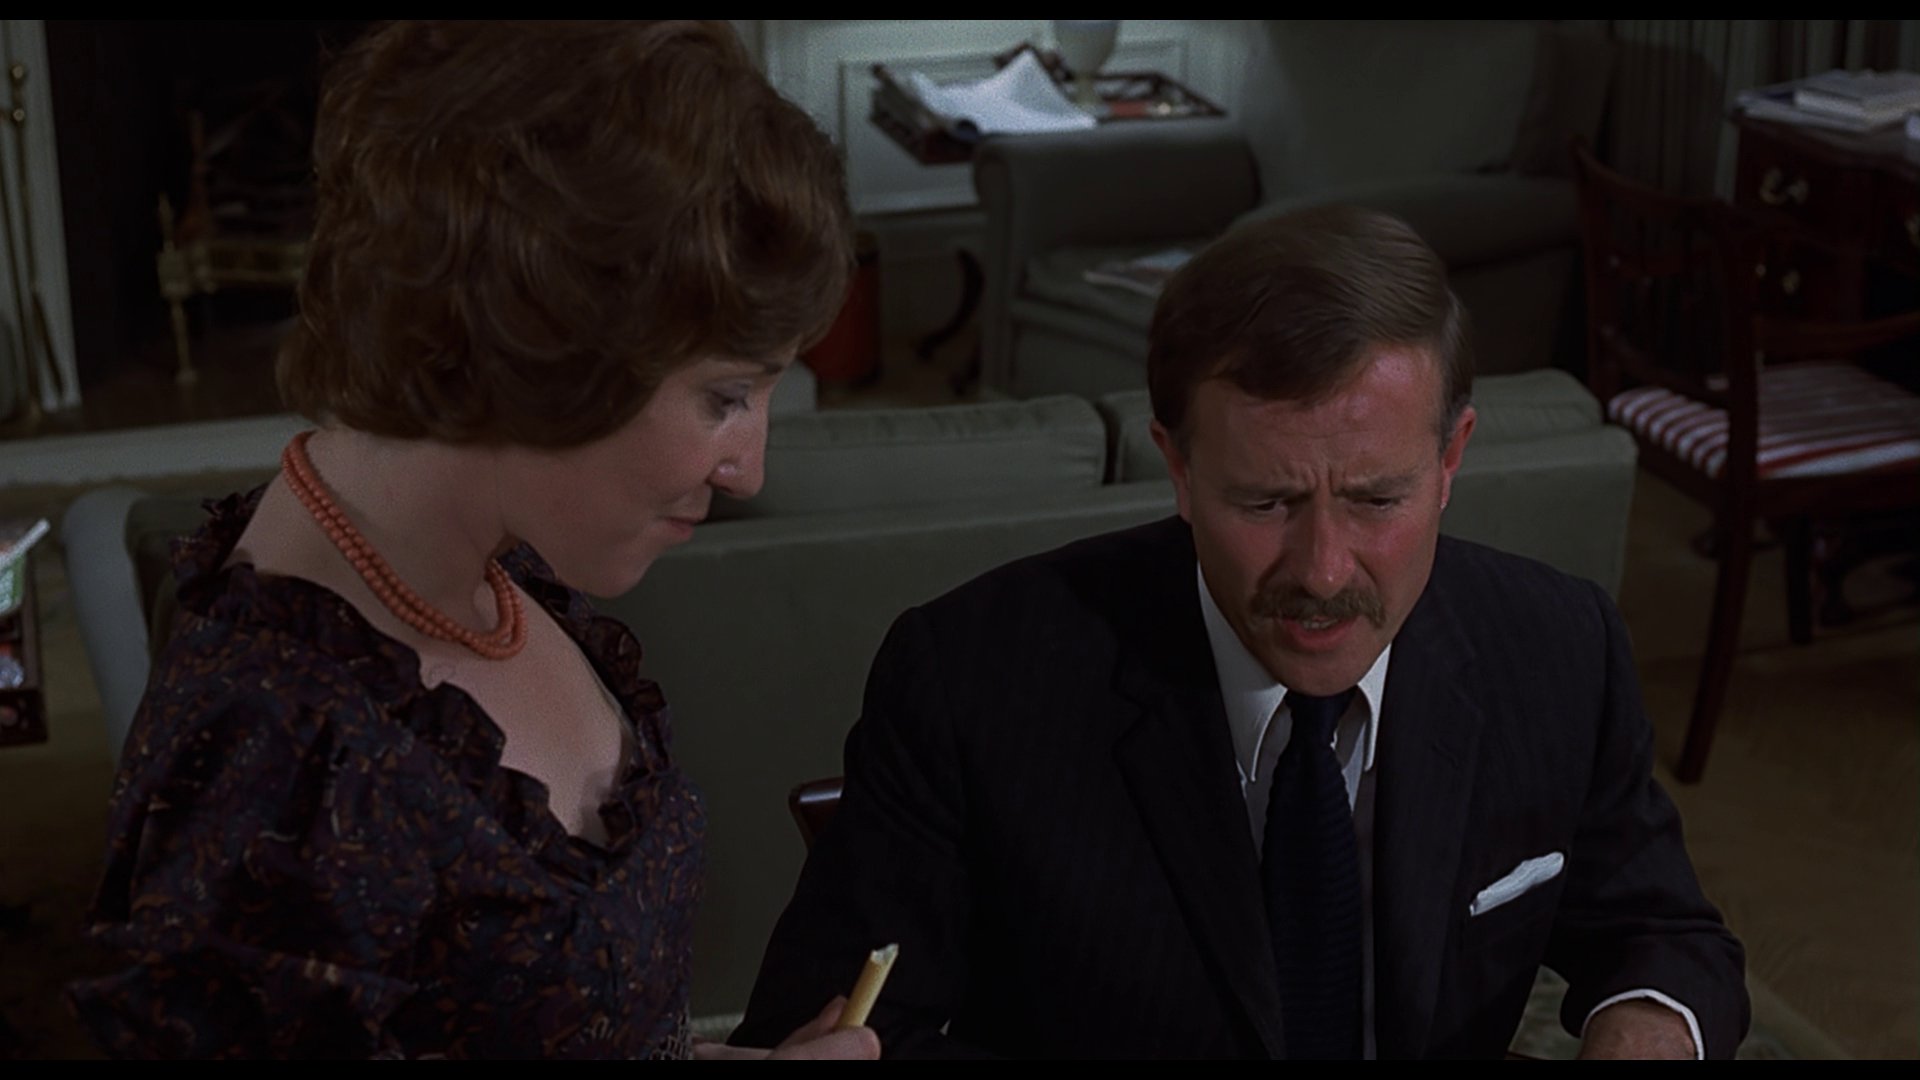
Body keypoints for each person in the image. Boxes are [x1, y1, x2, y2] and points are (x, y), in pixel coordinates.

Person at [732, 205, 1749, 1059]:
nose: (1323, 572)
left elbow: (1661, 931)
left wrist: (1647, 1028)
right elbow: (826, 1032)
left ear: (1451, 459)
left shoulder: (1559, 645)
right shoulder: (970, 680)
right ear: (1177, 467)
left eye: (1376, 500)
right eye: (1265, 503)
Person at [68, 20, 876, 1060]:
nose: (749, 470)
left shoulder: (497, 561)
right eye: (726, 396)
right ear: (539, 335)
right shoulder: (272, 762)